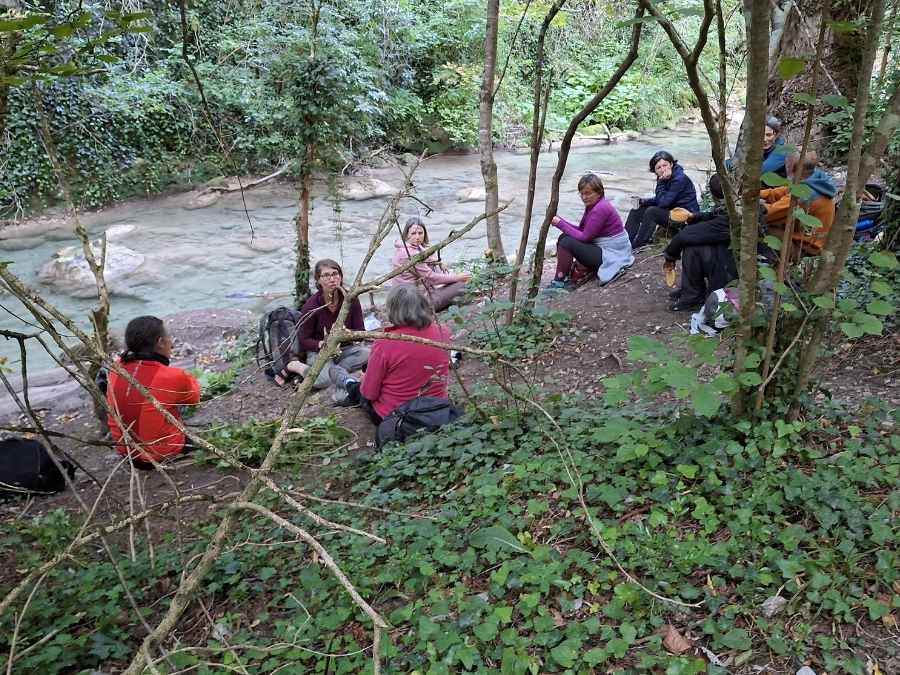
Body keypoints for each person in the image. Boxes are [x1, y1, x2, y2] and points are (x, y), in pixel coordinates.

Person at [330, 285, 451, 425]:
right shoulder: (444, 332)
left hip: (397, 416)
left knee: (357, 387)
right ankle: (346, 383)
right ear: (424, 305)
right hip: (437, 409)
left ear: (392, 310)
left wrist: (366, 380)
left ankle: (346, 382)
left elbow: (369, 394)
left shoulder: (385, 343)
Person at [107, 316, 201, 469]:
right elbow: (194, 398)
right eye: (169, 338)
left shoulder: (116, 369)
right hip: (161, 454)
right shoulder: (173, 376)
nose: (171, 343)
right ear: (160, 342)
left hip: (126, 452)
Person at [276, 259, 370, 390]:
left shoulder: (351, 299)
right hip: (320, 351)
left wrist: (348, 333)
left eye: (335, 274)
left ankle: (332, 372)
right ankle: (295, 366)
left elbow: (361, 332)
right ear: (318, 280)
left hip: (344, 348)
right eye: (326, 275)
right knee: (325, 381)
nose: (332, 279)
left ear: (341, 276)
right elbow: (304, 340)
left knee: (370, 354)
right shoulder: (311, 306)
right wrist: (321, 344)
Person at [663, 174, 737, 312]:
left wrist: (669, 258)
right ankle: (692, 291)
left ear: (714, 196)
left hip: (732, 274)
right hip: (731, 262)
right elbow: (714, 214)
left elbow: (684, 236)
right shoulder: (738, 207)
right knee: (695, 244)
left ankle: (693, 295)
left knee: (692, 246)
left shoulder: (730, 220)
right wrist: (694, 216)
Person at [548, 172, 634, 290]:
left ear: (599, 192)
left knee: (566, 242)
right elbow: (582, 230)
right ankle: (564, 276)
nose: (584, 197)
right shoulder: (593, 205)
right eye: (582, 193)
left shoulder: (600, 208)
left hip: (612, 253)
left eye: (588, 193)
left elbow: (585, 237)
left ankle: (558, 282)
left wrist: (560, 224)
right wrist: (560, 221)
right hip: (606, 249)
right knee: (564, 237)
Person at [760, 151, 836, 257]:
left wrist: (755, 205)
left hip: (806, 248)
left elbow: (769, 214)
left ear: (793, 168)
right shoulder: (815, 180)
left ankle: (770, 262)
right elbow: (782, 191)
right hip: (805, 239)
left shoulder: (804, 195)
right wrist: (757, 193)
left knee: (760, 228)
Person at [391, 216, 471, 312]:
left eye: (420, 233)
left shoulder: (405, 247)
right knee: (461, 285)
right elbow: (432, 278)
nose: (417, 237)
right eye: (413, 233)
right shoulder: (409, 254)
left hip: (406, 299)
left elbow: (426, 257)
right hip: (413, 305)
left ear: (425, 233)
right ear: (407, 235)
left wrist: (438, 262)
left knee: (451, 280)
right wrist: (458, 277)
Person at [625, 151, 699, 249]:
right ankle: (625, 243)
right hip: (672, 211)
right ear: (654, 171)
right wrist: (643, 202)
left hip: (685, 218)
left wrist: (660, 182)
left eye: (665, 165)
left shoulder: (679, 179)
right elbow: (663, 197)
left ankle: (638, 245)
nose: (663, 169)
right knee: (636, 210)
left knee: (652, 212)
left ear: (671, 164)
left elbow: (663, 203)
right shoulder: (667, 177)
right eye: (658, 168)